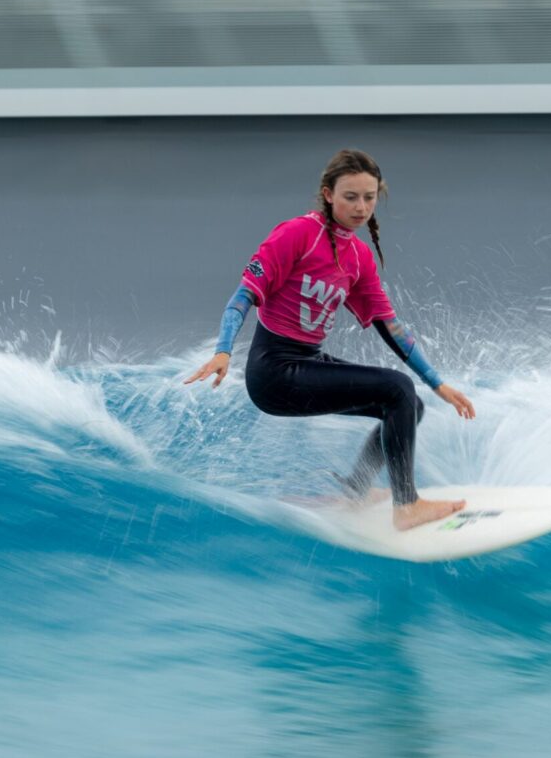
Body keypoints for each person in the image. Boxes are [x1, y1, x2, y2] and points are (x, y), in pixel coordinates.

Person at [184, 149, 475, 531]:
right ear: (328, 195)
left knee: (409, 404)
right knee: (397, 389)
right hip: (274, 373)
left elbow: (392, 327)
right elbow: (242, 297)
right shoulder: (297, 234)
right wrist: (223, 351)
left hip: (307, 363)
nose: (361, 207)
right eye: (350, 197)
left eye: (369, 197)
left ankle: (355, 492)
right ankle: (407, 507)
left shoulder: (358, 257)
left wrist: (437, 383)